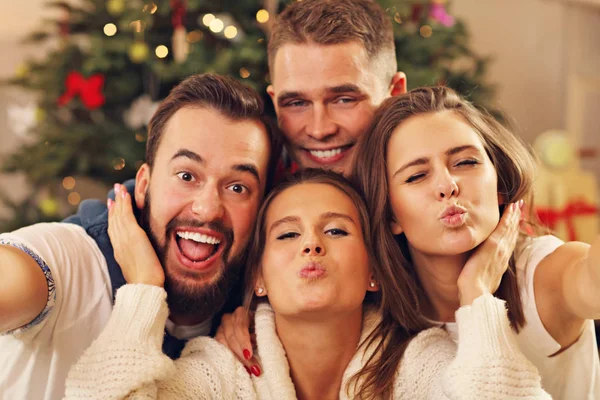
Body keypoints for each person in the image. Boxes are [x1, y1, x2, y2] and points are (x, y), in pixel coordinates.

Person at [65, 169, 550, 399]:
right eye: (288, 233)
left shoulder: (418, 366)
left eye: (336, 230)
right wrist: (145, 289)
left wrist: (478, 297)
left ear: (375, 271)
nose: (311, 245)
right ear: (257, 277)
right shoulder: (218, 375)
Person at [0, 73, 280, 399]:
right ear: (145, 185)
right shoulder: (69, 259)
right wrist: (145, 286)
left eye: (237, 187)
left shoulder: (250, 311)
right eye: (187, 175)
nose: (207, 209)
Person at [352, 86, 600, 399]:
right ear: (391, 216)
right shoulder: (374, 314)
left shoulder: (544, 272)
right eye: (416, 176)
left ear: (499, 183)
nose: (447, 185)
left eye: (466, 162)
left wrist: (476, 291)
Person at [266, 0, 407, 176]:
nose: (319, 131)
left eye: (344, 100)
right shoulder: (255, 195)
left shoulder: (443, 191)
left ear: (396, 95)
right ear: (275, 102)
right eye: (297, 103)